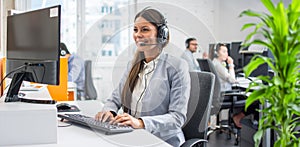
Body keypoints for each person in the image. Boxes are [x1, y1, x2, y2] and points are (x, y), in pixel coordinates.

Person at [95, 8, 190, 146]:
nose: (138, 35)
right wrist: (109, 111)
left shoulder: (177, 66)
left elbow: (177, 118)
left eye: (145, 29)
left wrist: (140, 122)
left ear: (161, 34)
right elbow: (115, 99)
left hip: (163, 141)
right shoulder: (133, 66)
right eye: (135, 30)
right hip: (135, 137)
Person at [212, 43, 258, 128]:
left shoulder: (214, 63)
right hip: (226, 95)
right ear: (217, 53)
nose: (227, 54)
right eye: (224, 51)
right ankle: (238, 117)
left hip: (219, 95)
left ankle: (238, 118)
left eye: (227, 51)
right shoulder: (218, 66)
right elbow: (232, 80)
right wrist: (231, 64)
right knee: (255, 100)